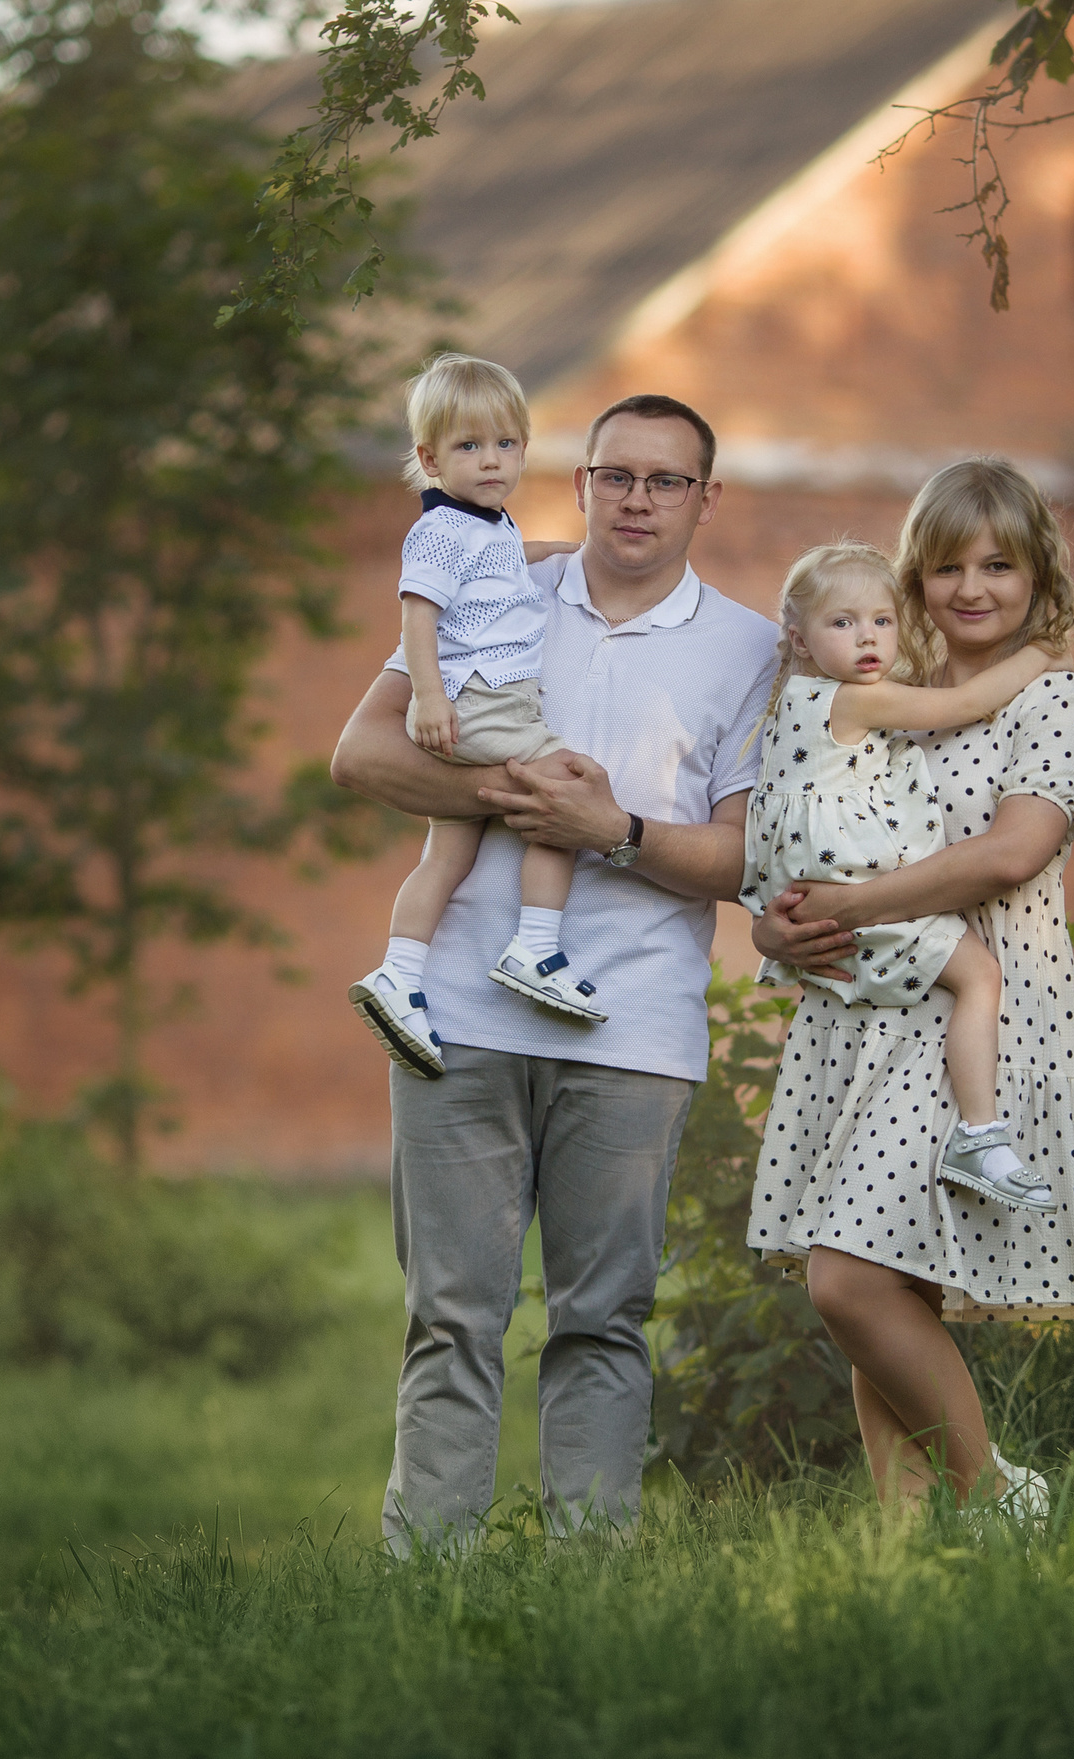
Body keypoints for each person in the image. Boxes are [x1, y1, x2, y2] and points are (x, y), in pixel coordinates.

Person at [330, 392, 778, 1554]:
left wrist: (612, 828)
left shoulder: (750, 649)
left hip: (632, 1033)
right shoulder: (495, 581)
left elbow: (742, 860)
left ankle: (589, 1589)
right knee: (451, 1317)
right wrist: (513, 799)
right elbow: (361, 752)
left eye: (665, 481)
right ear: (575, 483)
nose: (637, 499)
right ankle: (429, 1588)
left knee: (604, 1322)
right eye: (614, 474)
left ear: (705, 500)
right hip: (461, 1017)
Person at [747, 458, 1074, 1519]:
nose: (972, 588)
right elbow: (802, 831)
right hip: (863, 1010)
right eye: (948, 566)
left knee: (851, 1280)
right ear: (915, 578)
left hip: (981, 1014)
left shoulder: (1057, 697)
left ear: (1036, 575)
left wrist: (853, 904)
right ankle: (909, 1553)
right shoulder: (874, 700)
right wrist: (777, 921)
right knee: (886, 1288)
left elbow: (1011, 854)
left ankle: (999, 1493)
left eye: (999, 566)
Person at [739, 540, 1065, 1213]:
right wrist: (1045, 649)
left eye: (882, 621)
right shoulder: (855, 702)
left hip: (822, 895)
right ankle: (979, 1132)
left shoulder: (793, 705)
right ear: (798, 639)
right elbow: (963, 705)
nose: (868, 638)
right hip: (863, 896)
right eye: (843, 622)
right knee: (980, 975)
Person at [350, 354, 606, 1080]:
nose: (491, 461)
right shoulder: (436, 531)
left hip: (477, 702)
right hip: (482, 699)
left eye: (505, 444)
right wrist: (429, 697)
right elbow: (418, 616)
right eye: (469, 447)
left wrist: (554, 551)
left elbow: (497, 563)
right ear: (430, 457)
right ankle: (535, 944)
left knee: (448, 854)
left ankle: (401, 972)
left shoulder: (484, 526)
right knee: (568, 794)